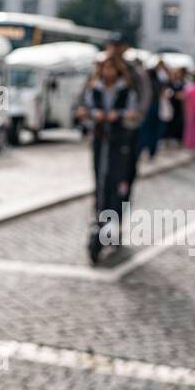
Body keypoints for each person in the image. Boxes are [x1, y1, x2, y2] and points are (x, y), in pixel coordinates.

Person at [76, 58, 139, 263]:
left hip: (119, 144)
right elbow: (84, 111)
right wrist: (93, 115)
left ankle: (113, 223)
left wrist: (118, 116)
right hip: (100, 141)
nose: (108, 72)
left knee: (117, 183)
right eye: (105, 68)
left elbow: (133, 114)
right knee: (100, 182)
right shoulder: (94, 89)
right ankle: (101, 221)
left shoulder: (126, 91)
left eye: (111, 67)